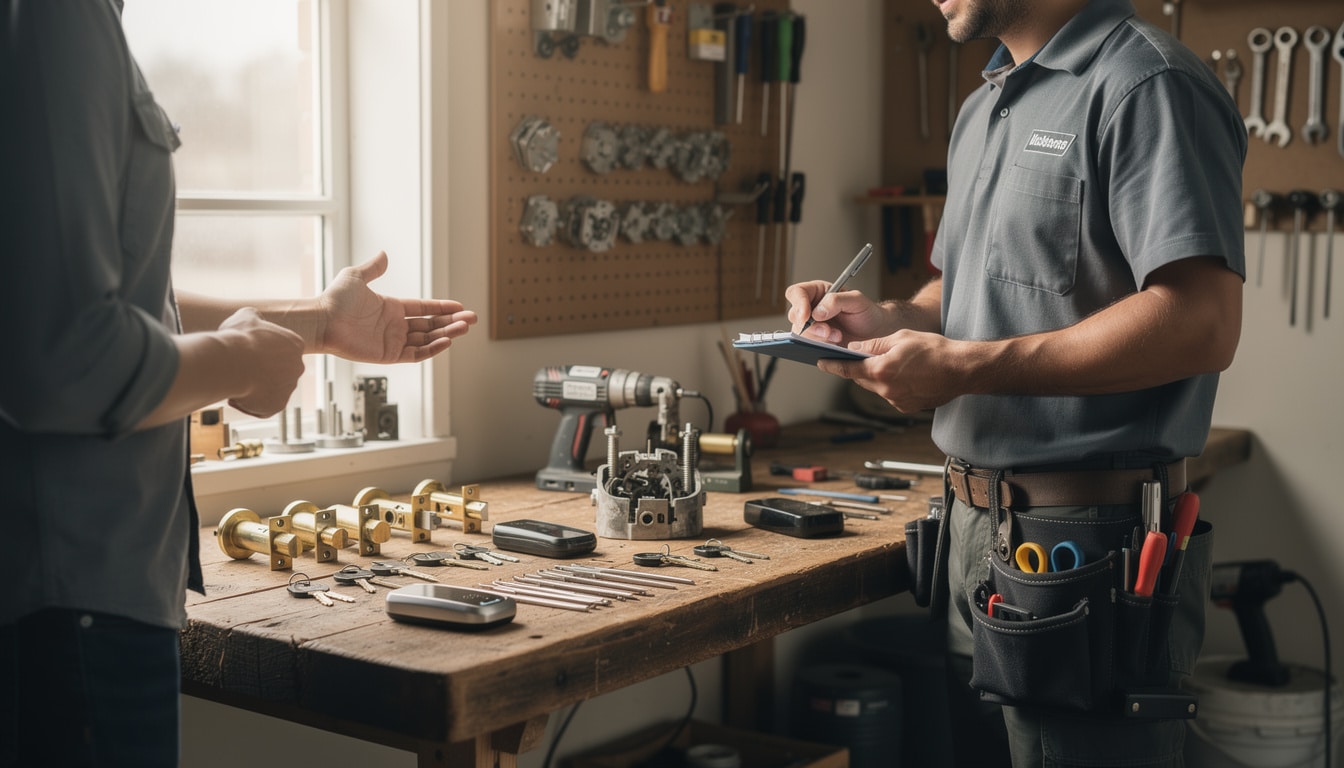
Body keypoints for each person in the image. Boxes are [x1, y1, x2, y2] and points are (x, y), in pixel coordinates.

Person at [0, 2, 477, 766]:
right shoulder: (58, 15)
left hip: (87, 601)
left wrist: (315, 323)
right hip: (72, 606)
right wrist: (241, 363)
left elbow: (113, 302)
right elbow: (64, 360)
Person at [786, 0, 1246, 765]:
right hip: (970, 529)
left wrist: (965, 367)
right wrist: (882, 318)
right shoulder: (984, 105)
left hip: (1089, 544)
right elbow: (958, 293)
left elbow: (1202, 321)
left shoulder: (1147, 84)